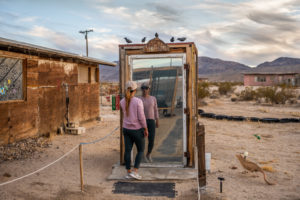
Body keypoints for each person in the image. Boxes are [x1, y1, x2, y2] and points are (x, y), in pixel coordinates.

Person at [120, 81, 148, 180]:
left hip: (126, 129)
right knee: (140, 150)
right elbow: (141, 117)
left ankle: (128, 172)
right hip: (137, 130)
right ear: (135, 90)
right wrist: (145, 128)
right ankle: (135, 172)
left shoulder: (122, 101)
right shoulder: (138, 101)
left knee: (127, 150)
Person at [140, 82, 159, 163]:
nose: (145, 90)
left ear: (149, 89)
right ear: (141, 89)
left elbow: (155, 110)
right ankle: (142, 155)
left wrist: (157, 120)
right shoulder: (139, 99)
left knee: (151, 139)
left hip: (151, 121)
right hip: (142, 121)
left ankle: (148, 154)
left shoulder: (153, 98)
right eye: (143, 88)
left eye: (146, 88)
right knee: (141, 139)